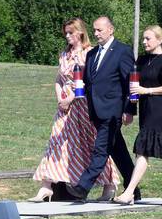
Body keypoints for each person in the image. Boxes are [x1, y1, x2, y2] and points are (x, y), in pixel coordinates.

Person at [30, 18, 119, 202]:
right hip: (64, 106)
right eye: (66, 33)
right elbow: (58, 78)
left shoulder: (90, 53)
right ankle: (46, 186)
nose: (68, 36)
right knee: (56, 141)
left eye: (71, 32)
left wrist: (71, 98)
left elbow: (89, 81)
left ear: (79, 32)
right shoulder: (65, 54)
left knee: (92, 144)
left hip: (83, 104)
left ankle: (109, 183)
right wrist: (60, 97)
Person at [113, 26, 162, 204]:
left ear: (159, 40)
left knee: (142, 149)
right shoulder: (142, 60)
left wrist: (146, 90)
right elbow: (134, 83)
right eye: (143, 38)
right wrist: (131, 103)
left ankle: (129, 192)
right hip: (145, 108)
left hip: (158, 109)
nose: (144, 42)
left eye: (148, 38)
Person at [65, 16, 140, 201]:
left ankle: (83, 186)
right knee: (118, 151)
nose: (96, 34)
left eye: (100, 30)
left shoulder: (123, 51)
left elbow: (130, 82)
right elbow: (90, 82)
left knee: (101, 148)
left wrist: (130, 110)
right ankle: (134, 189)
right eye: (95, 30)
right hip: (96, 111)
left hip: (113, 111)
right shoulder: (92, 54)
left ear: (111, 29)